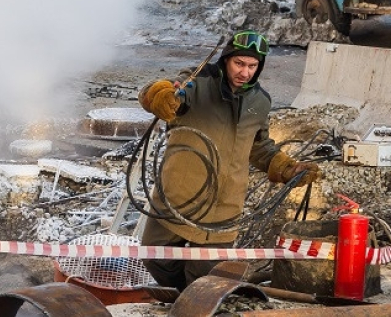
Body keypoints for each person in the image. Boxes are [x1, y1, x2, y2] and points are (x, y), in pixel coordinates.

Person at [137, 30, 320, 290]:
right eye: (239, 63)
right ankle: (182, 297)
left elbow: (259, 147)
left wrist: (288, 168)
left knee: (204, 278)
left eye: (252, 66)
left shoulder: (260, 101)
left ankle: (191, 307)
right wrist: (158, 95)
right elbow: (164, 93)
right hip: (178, 198)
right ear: (226, 60)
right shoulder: (197, 83)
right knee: (155, 256)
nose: (245, 72)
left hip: (223, 210)